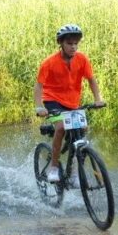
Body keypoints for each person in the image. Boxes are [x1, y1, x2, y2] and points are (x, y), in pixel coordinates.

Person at [34, 24, 105, 183]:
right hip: (53, 101)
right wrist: (39, 106)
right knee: (60, 128)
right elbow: (38, 86)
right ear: (61, 43)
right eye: (69, 44)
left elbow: (91, 80)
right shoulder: (49, 62)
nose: (73, 47)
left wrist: (98, 99)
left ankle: (72, 171)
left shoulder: (82, 59)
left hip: (73, 103)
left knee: (81, 131)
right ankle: (53, 168)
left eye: (75, 44)